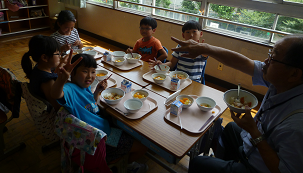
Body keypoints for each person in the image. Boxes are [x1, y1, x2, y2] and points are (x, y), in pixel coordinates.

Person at [170, 35, 303, 173]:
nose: (265, 61)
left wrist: (254, 132)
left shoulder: (297, 123)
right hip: (255, 143)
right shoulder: (283, 82)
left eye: (273, 58)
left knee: (199, 163)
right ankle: (229, 162)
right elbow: (243, 63)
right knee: (231, 128)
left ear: (294, 74)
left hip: (258, 166)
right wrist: (205, 48)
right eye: (269, 54)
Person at [51, 53, 149, 173]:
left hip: (101, 131)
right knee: (143, 146)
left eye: (93, 72)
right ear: (72, 72)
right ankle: (128, 165)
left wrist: (97, 91)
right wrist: (61, 80)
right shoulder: (70, 89)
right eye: (85, 71)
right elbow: (56, 94)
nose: (90, 76)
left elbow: (89, 107)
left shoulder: (83, 86)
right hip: (99, 141)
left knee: (132, 132)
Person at [21, 35, 68, 111]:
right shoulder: (48, 82)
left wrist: (61, 64)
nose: (60, 56)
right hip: (53, 118)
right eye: (57, 53)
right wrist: (62, 80)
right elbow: (57, 107)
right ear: (44, 58)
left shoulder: (38, 68)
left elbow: (51, 73)